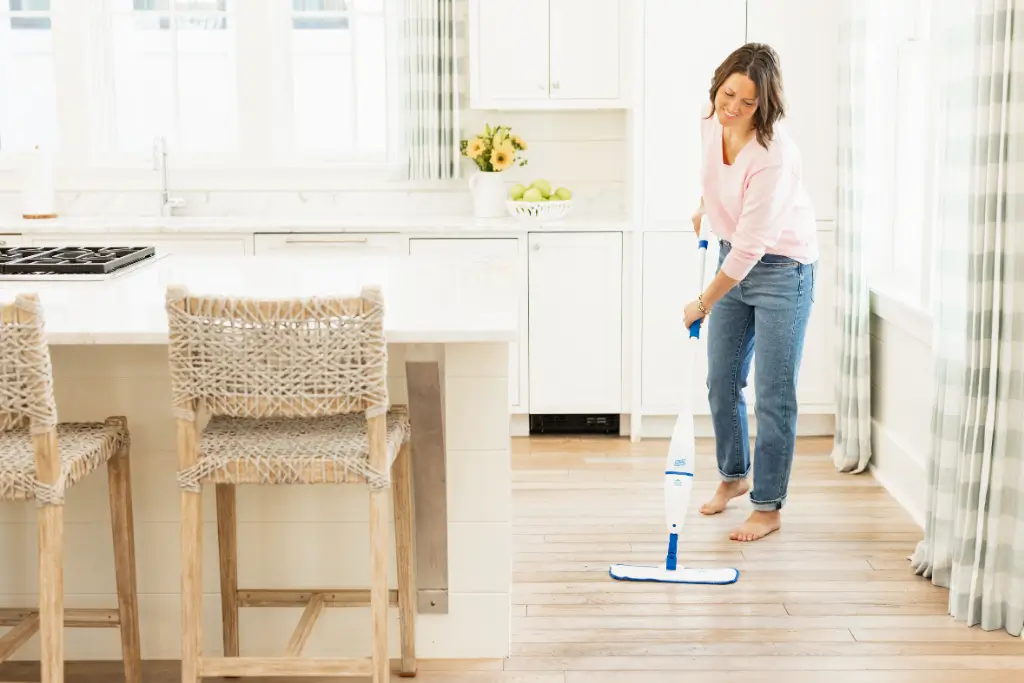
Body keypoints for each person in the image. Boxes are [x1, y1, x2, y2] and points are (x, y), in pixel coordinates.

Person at [683, 42, 819, 542]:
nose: (733, 108)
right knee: (721, 380)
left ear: (765, 103)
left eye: (747, 101)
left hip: (783, 269)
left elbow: (750, 247)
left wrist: (702, 302)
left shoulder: (774, 155)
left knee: (774, 395)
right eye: (728, 94)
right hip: (733, 258)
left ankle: (767, 507)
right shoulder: (709, 118)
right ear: (717, 85)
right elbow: (716, 176)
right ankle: (734, 476)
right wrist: (707, 206)